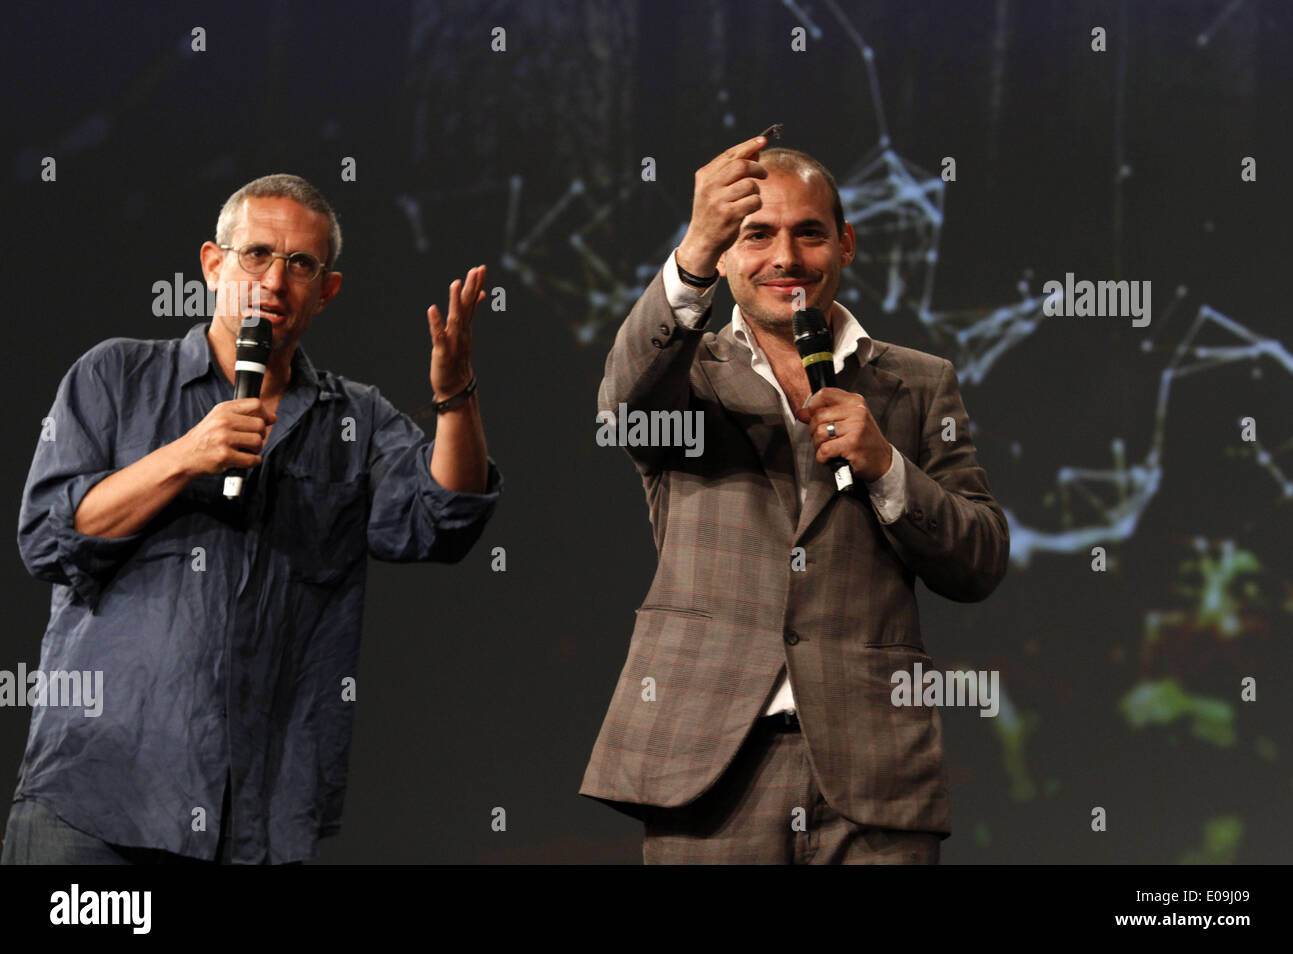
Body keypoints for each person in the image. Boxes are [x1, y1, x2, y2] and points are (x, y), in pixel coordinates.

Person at [3, 174, 502, 864]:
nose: (274, 281)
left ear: (326, 292)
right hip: (96, 801)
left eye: (301, 265)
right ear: (213, 264)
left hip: (258, 815)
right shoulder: (115, 377)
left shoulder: (353, 419)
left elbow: (442, 520)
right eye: (256, 254)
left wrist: (455, 398)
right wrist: (184, 456)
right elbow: (47, 536)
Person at [580, 137, 1009, 864]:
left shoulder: (918, 382)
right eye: (756, 234)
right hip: (707, 770)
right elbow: (622, 413)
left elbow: (979, 558)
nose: (786, 257)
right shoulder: (687, 376)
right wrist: (689, 254)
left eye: (808, 232)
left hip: (872, 771)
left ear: (844, 243)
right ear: (723, 254)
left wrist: (888, 469)